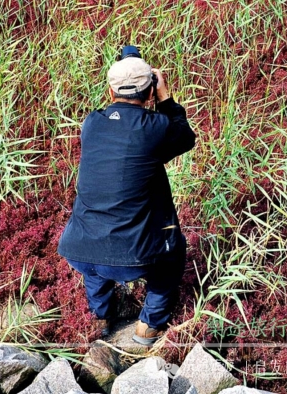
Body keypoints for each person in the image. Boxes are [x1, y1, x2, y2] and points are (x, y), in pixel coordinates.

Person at [57, 48, 196, 345]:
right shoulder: (156, 127)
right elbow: (184, 138)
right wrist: (166, 98)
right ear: (149, 93)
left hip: (78, 249)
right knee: (173, 253)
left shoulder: (92, 124)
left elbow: (124, 133)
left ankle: (101, 316)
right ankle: (148, 327)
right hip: (132, 259)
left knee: (95, 246)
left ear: (110, 91)